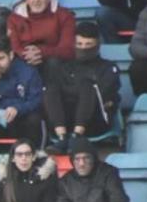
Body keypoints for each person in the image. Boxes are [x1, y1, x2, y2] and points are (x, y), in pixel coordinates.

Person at [44, 21, 121, 154]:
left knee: (87, 86)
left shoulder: (108, 67)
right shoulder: (65, 67)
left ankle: (77, 136)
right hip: (66, 121)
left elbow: (103, 94)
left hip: (95, 121)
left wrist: (73, 91)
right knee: (51, 88)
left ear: (97, 45)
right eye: (79, 44)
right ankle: (62, 138)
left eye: (88, 45)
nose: (83, 48)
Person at [7, 0, 76, 79]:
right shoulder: (14, 18)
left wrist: (40, 52)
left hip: (54, 62)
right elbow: (14, 47)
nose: (36, 0)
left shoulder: (64, 15)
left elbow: (67, 50)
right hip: (25, 59)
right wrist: (28, 55)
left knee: (54, 63)